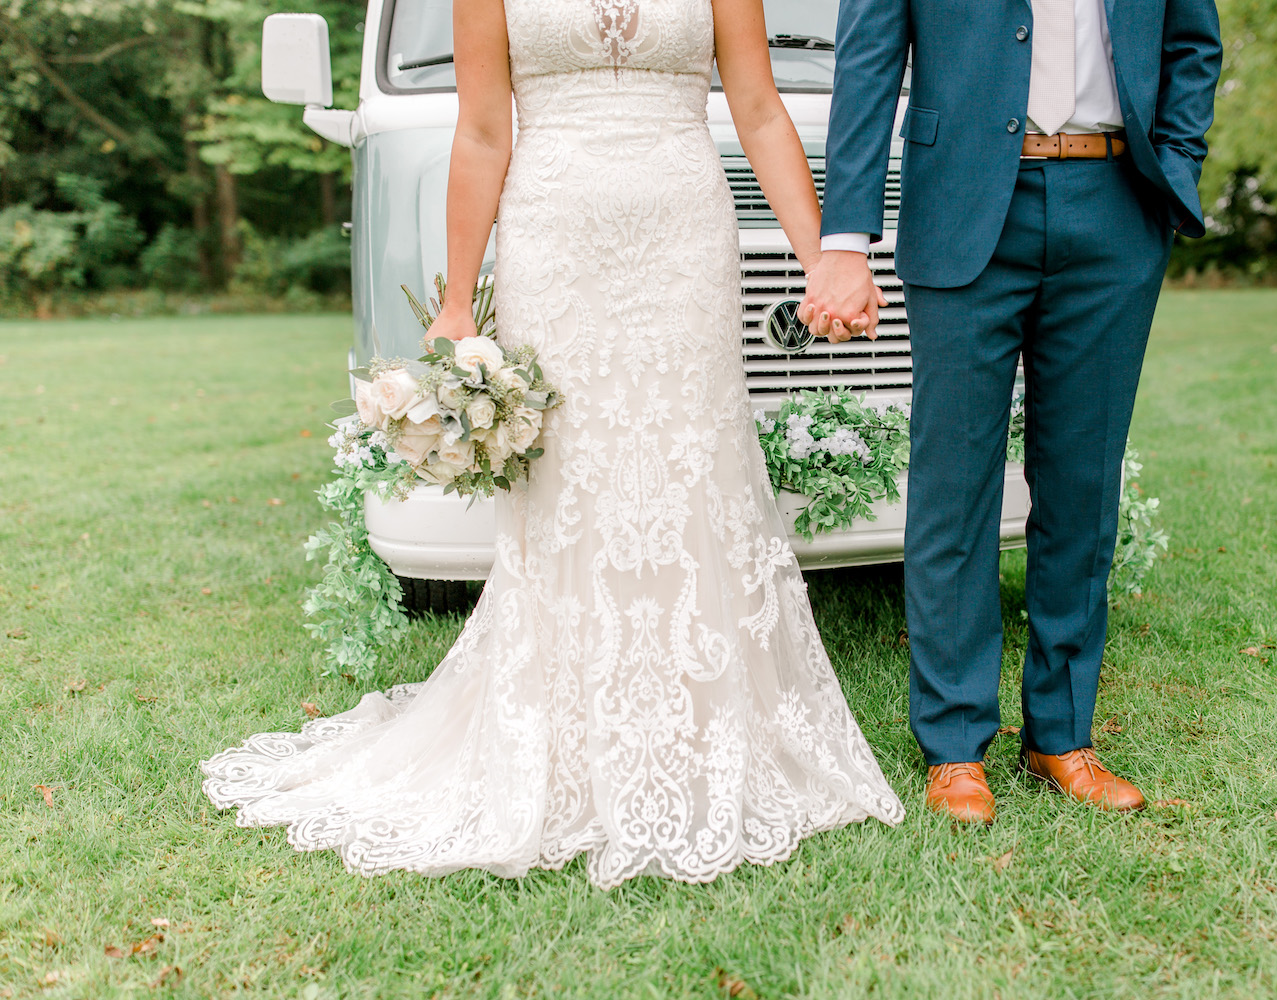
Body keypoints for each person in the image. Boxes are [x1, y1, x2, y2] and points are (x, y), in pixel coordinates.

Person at [201, 0, 902, 889]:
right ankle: (568, 733)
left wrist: (820, 259)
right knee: (573, 473)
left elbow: (759, 107)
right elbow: (486, 130)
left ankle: (700, 719)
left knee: (692, 463)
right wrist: (458, 303)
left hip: (686, 235)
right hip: (555, 238)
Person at [802, 0, 1222, 822]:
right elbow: (868, 64)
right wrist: (844, 238)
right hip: (962, 201)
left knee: (1082, 485)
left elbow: (1193, 41)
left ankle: (1061, 736)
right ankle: (955, 746)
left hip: (1115, 207)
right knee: (955, 488)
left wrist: (1175, 161)